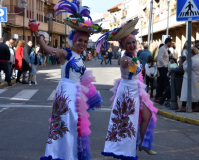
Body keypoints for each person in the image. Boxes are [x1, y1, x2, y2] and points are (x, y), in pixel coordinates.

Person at [34, 1, 103, 159]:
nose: (83, 44)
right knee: (65, 120)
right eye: (80, 40)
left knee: (74, 124)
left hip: (76, 94)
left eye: (85, 42)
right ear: (74, 40)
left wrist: (94, 98)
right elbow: (47, 49)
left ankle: (69, 154)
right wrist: (38, 36)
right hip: (65, 92)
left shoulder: (81, 58)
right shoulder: (66, 54)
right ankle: (57, 153)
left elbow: (84, 80)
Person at [95, 19, 157, 159]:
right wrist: (127, 61)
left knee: (147, 115)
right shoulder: (125, 58)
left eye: (133, 42)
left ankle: (142, 143)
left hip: (138, 89)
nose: (131, 45)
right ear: (123, 46)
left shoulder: (136, 56)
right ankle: (123, 149)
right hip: (127, 92)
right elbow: (123, 63)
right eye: (128, 43)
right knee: (127, 121)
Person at [177, 47, 199, 112]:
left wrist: (186, 61)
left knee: (186, 92)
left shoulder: (192, 60)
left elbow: (186, 68)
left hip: (191, 79)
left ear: (192, 53)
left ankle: (183, 107)